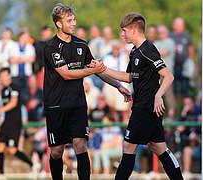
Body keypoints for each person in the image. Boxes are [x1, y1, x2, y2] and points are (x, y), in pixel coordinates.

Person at [43, 4, 131, 180]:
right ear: (59, 24)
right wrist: (92, 70)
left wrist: (118, 85)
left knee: (80, 145)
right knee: (56, 151)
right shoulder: (51, 47)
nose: (74, 23)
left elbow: (98, 69)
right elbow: (66, 74)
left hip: (78, 104)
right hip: (56, 105)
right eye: (69, 20)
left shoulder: (81, 45)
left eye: (74, 19)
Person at [99, 12, 184, 180]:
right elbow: (129, 76)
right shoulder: (135, 51)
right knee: (159, 148)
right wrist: (102, 69)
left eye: (124, 30)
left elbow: (168, 76)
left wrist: (158, 95)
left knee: (128, 147)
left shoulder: (148, 49)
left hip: (145, 107)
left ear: (133, 30)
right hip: (144, 106)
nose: (122, 34)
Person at [0, 67, 33, 176]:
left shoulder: (14, 87)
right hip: (6, 122)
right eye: (0, 76)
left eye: (4, 75)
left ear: (9, 75)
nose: (2, 78)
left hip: (15, 122)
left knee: (12, 150)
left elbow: (13, 103)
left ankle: (32, 164)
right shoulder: (3, 90)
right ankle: (1, 174)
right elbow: (5, 105)